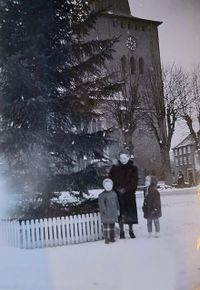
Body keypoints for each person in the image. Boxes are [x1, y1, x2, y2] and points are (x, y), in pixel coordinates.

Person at [109, 149, 138, 239]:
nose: (123, 160)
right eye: (121, 158)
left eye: (125, 158)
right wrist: (116, 189)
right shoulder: (115, 168)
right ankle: (121, 231)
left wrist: (126, 189)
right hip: (118, 194)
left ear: (128, 158)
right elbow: (110, 180)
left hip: (129, 194)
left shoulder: (133, 168)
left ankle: (131, 231)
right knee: (121, 213)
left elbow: (134, 182)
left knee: (130, 213)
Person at [98, 178, 119, 244]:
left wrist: (118, 210)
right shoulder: (102, 195)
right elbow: (101, 204)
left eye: (109, 185)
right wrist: (104, 210)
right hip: (106, 213)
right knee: (106, 227)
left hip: (113, 212)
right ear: (104, 186)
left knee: (112, 226)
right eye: (106, 185)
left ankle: (112, 238)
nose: (108, 187)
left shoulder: (114, 193)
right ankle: (107, 239)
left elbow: (117, 203)